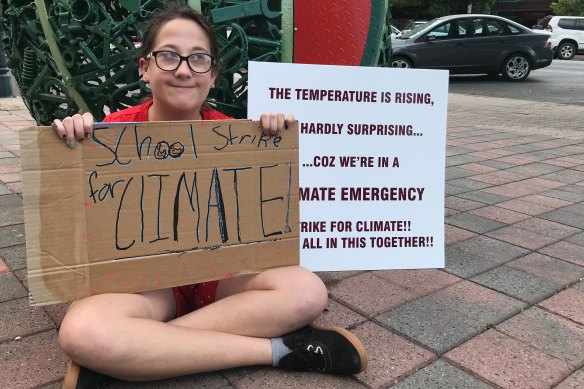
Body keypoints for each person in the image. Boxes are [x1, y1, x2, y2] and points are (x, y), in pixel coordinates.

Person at [52, 3, 367, 387]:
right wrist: (72, 143)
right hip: (147, 285)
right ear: (144, 68)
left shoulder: (238, 135)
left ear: (213, 74)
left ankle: (137, 356)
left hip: (220, 279)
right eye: (168, 56)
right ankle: (282, 351)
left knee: (307, 292)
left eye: (198, 59)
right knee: (83, 334)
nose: (184, 69)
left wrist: (273, 138)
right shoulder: (106, 134)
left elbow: (275, 218)